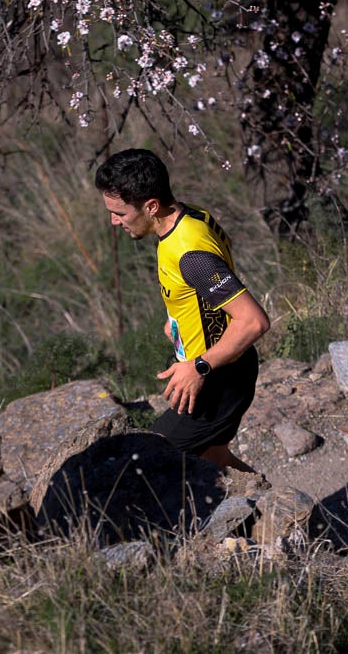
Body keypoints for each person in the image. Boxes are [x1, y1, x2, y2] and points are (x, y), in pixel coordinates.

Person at [95, 148, 270, 472]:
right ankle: (280, 514)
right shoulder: (193, 217)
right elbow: (219, 252)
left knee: (147, 462)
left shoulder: (190, 253)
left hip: (216, 382)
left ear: (150, 206)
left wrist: (198, 367)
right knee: (214, 459)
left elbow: (254, 321)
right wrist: (178, 314)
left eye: (119, 213)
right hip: (223, 371)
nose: (113, 221)